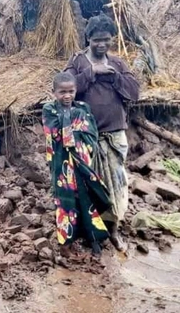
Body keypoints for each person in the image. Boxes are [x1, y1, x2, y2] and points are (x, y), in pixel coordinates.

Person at [64, 14, 140, 252]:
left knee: (116, 184)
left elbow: (134, 92)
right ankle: (90, 231)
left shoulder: (117, 64)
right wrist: (91, 74)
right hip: (86, 135)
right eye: (97, 40)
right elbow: (64, 88)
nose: (101, 44)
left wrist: (113, 76)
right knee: (88, 184)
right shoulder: (77, 61)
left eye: (106, 40)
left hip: (115, 133)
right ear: (88, 38)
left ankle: (114, 230)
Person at [42, 72, 113, 258]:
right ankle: (65, 243)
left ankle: (92, 237)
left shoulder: (84, 107)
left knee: (88, 196)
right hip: (61, 164)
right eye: (62, 92)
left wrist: (73, 124)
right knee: (65, 201)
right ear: (54, 92)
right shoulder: (49, 109)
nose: (67, 96)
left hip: (82, 161)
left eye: (71, 91)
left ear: (76, 91)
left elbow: (91, 133)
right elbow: (54, 134)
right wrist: (74, 122)